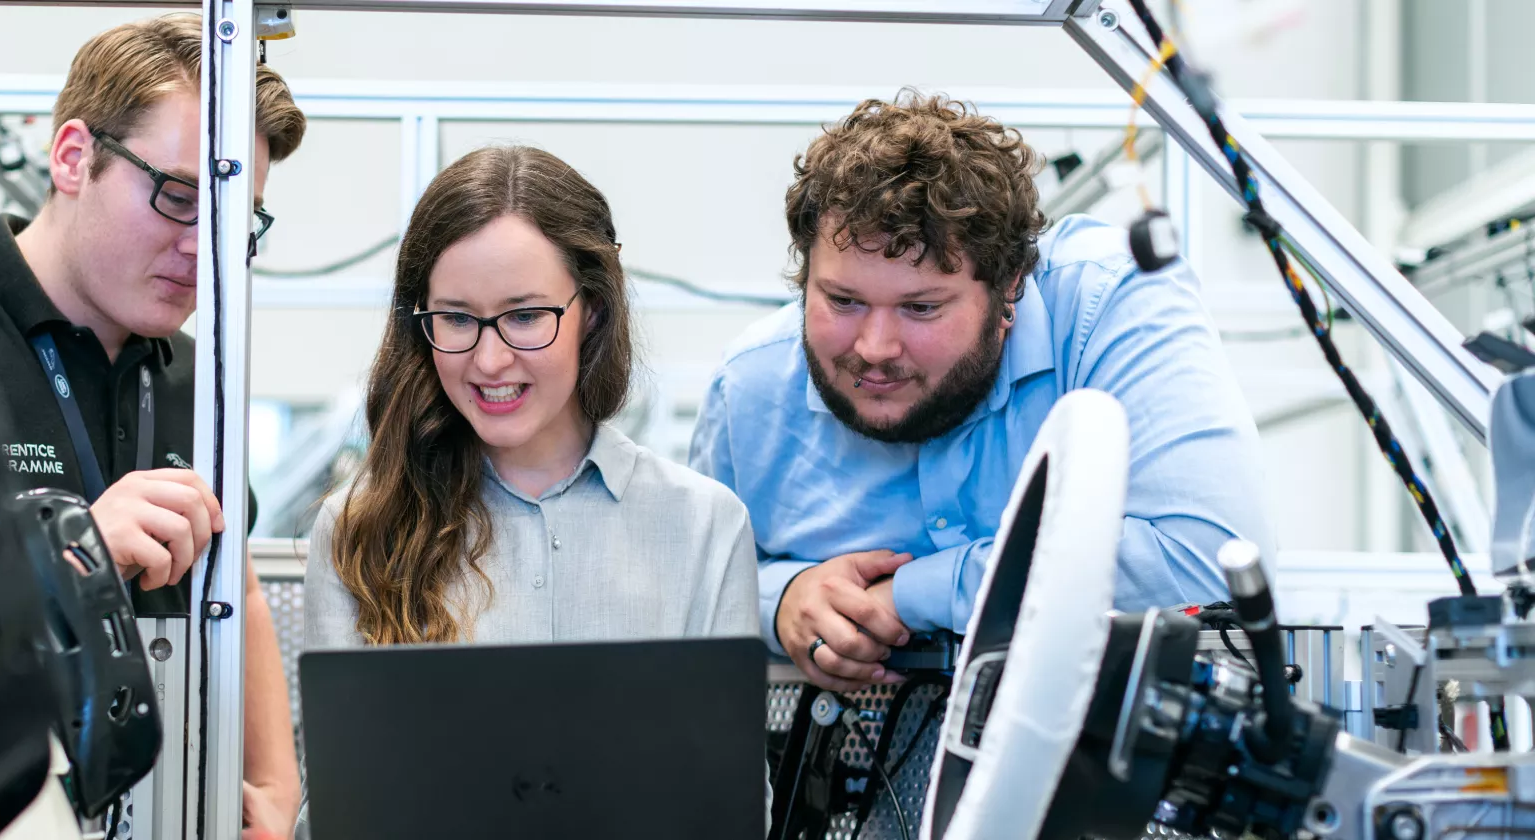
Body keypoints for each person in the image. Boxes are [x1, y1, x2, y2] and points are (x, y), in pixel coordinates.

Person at [689, 91, 1274, 694]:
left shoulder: (1110, 305)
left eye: (921, 307)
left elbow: (1208, 557)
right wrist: (782, 600)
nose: (875, 347)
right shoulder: (750, 388)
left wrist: (909, 596)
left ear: (1010, 287)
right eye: (843, 301)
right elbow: (693, 587)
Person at [0, 15, 304, 837]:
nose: (203, 248)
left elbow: (238, 582)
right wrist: (74, 554)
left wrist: (275, 782)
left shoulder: (202, 377)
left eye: (237, 219)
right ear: (72, 158)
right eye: (178, 196)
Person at [304, 144, 759, 648]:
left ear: (594, 310)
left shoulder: (705, 527)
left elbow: (717, 729)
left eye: (524, 316)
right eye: (456, 318)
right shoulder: (357, 533)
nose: (490, 360)